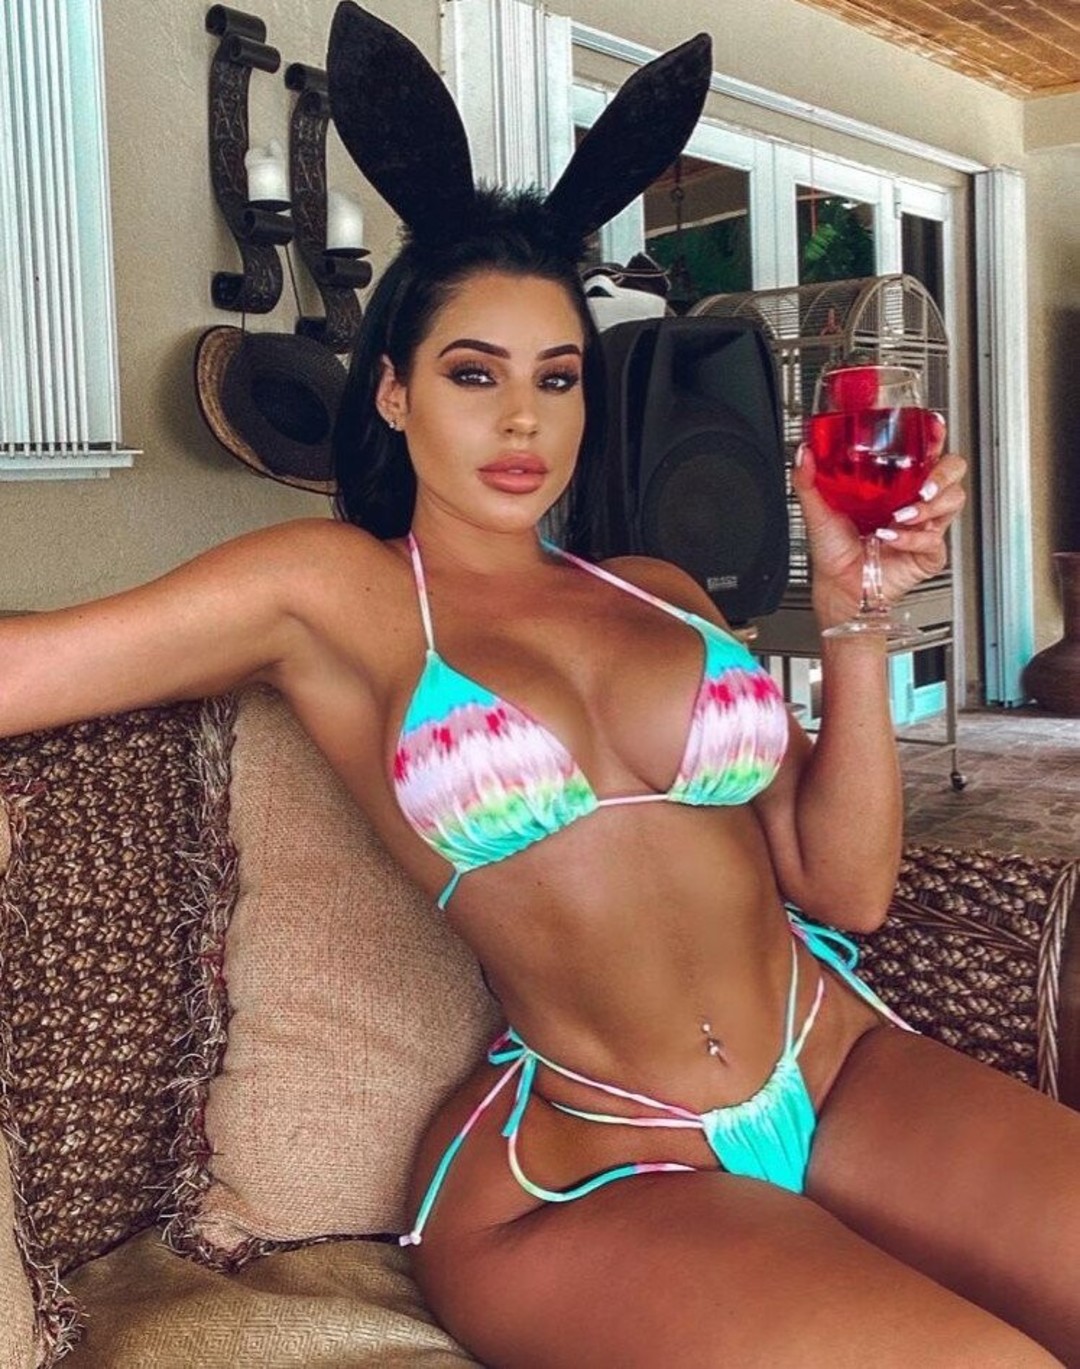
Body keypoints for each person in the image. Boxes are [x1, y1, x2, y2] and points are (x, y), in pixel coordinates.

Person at [3, 5, 1079, 1365]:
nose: (522, 419)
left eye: (557, 378)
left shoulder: (663, 590)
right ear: (393, 394)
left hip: (838, 1057)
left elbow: (848, 887)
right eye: (474, 374)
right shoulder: (334, 593)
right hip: (592, 1160)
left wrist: (858, 617)